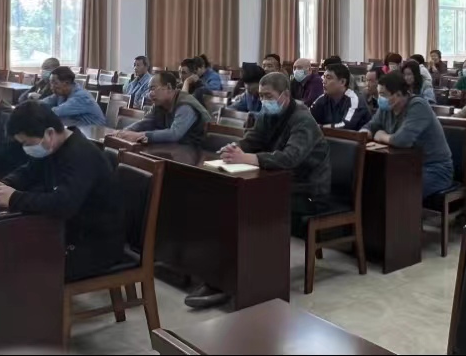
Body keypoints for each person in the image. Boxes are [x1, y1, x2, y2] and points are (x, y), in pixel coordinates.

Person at [199, 71, 330, 308]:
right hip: (278, 184)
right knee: (228, 203)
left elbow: (290, 158)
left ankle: (250, 283)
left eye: (268, 96)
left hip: (309, 191)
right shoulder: (269, 114)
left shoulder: (303, 120)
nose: (263, 100)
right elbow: (253, 139)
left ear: (285, 95)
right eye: (260, 96)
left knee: (249, 210)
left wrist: (249, 158)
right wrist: (235, 148)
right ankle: (220, 278)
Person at [0, 102, 124, 281]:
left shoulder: (81, 155)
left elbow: (64, 204)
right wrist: (4, 184)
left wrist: (14, 198)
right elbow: (28, 172)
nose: (25, 149)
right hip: (69, 230)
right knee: (5, 248)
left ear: (49, 133)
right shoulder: (52, 147)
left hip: (96, 243)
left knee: (21, 264)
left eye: (27, 143)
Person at [362, 72, 453, 198]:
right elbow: (370, 126)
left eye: (383, 94)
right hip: (404, 165)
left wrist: (381, 136)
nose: (379, 99)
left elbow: (402, 140)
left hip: (434, 170)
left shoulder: (418, 105)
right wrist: (363, 135)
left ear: (399, 94)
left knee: (395, 188)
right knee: (370, 181)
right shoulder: (387, 108)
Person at [118, 71, 212, 147]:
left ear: (169, 87)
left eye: (153, 88)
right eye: (149, 90)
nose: (150, 94)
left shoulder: (185, 105)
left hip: (196, 152)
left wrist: (141, 135)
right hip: (175, 148)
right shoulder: (160, 104)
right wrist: (124, 132)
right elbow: (146, 122)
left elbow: (174, 134)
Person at [34, 67, 106, 127]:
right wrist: (31, 106)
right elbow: (43, 103)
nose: (51, 87)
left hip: (94, 131)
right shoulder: (62, 93)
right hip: (77, 129)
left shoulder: (81, 97)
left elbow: (55, 112)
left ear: (66, 83)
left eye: (55, 83)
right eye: (51, 83)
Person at [311, 63, 371, 130]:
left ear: (342, 82)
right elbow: (308, 119)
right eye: (323, 77)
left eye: (328, 78)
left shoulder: (354, 99)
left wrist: (320, 127)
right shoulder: (322, 98)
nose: (324, 81)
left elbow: (346, 126)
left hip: (353, 136)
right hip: (331, 136)